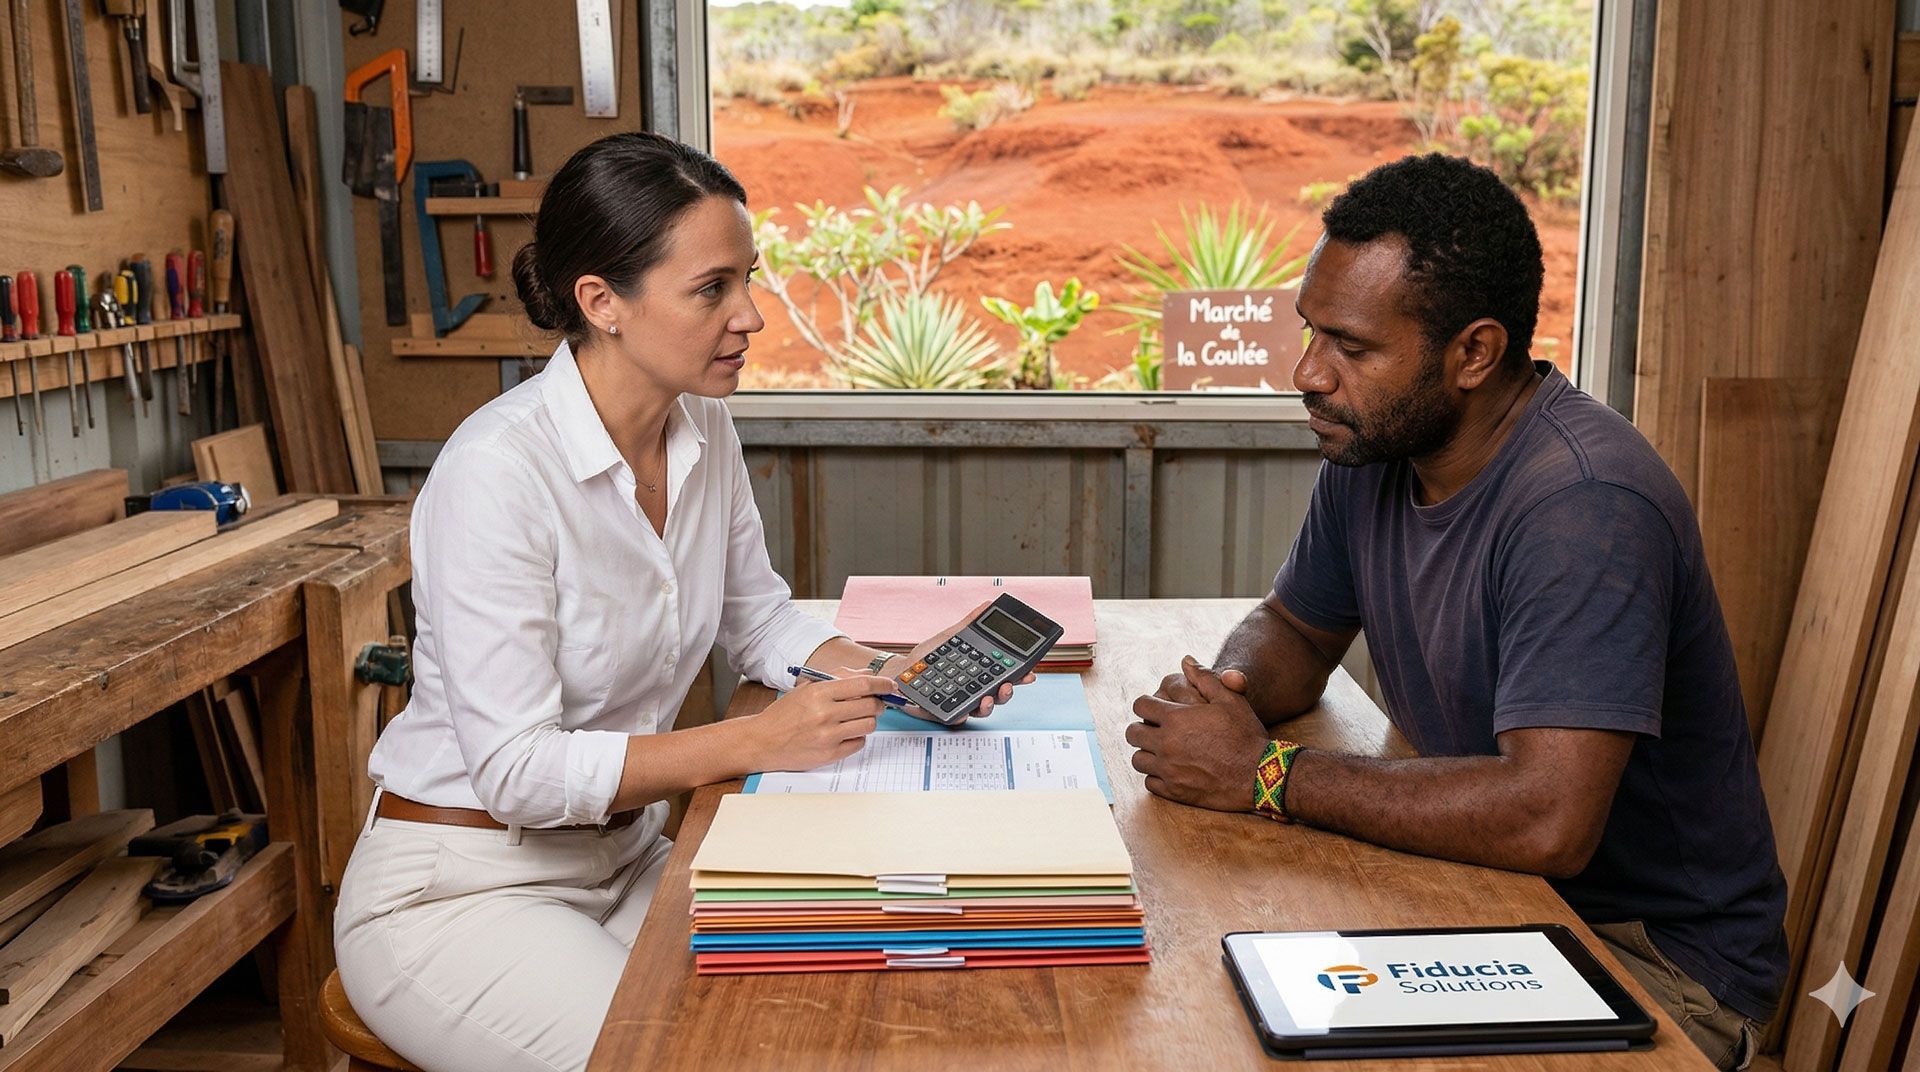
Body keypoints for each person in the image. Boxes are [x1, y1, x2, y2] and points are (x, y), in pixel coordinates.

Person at [333, 131, 1027, 1072]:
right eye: (713, 288)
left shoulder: (702, 428)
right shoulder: (497, 474)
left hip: (627, 863)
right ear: (602, 302)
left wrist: (888, 670)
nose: (751, 314)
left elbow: (759, 621)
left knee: (834, 1024)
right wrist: (758, 741)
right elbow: (514, 771)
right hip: (462, 890)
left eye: (749, 277)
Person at [1124, 154, 1786, 1072]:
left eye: (1351, 348)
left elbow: (1545, 819)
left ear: (1473, 353)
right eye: (1311, 332)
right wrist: (1225, 698)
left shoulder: (1585, 505)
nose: (1307, 372)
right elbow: (1299, 627)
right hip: (1494, 896)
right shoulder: (1379, 447)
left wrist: (1263, 773)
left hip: (1650, 963)